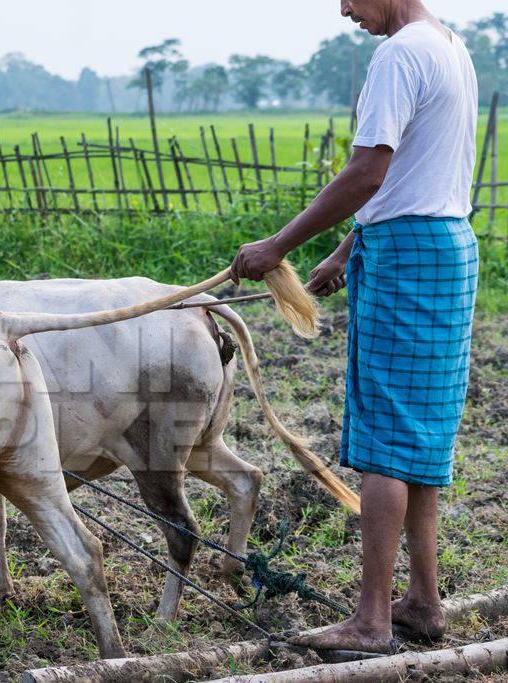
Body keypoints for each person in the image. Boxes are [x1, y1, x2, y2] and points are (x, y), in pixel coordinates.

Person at [229, 0, 479, 654]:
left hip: (406, 258)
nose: (343, 9)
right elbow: (416, 173)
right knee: (418, 438)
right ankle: (422, 602)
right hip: (445, 246)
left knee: (384, 442)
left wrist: (277, 245)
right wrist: (343, 252)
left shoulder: (399, 55)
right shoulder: (448, 45)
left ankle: (370, 620)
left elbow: (370, 170)